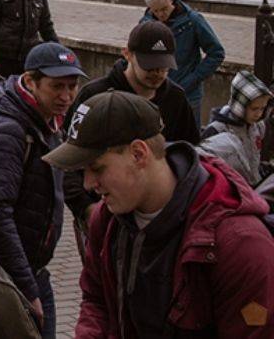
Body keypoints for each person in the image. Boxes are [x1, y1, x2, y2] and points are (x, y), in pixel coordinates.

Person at [43, 91, 274, 338]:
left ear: (138, 154)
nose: (88, 184)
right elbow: (96, 300)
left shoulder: (239, 245)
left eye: (97, 168)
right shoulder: (108, 218)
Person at [0, 42, 84, 339]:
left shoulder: (46, 123)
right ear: (30, 81)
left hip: (31, 272)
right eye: (57, 86)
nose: (66, 96)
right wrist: (26, 288)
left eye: (72, 86)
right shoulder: (7, 131)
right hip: (4, 279)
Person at [64, 21, 201, 224]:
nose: (157, 73)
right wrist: (86, 209)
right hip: (101, 210)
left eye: (163, 66)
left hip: (158, 214)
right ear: (127, 54)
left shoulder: (176, 99)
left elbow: (190, 153)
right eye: (149, 65)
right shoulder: (93, 95)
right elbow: (68, 160)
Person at [141, 0, 225, 115]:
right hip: (156, 93)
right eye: (156, 11)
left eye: (164, 9)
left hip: (188, 94)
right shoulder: (145, 24)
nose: (161, 14)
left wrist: (193, 79)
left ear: (171, 1)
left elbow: (216, 53)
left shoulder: (192, 20)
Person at [199, 70, 273, 186]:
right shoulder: (217, 130)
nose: (259, 114)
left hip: (252, 185)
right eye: (254, 109)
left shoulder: (258, 126)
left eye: (262, 108)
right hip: (230, 188)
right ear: (240, 106)